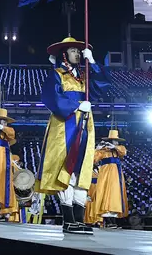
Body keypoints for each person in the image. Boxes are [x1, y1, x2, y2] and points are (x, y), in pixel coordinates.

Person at [36, 36, 108, 235]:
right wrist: (76, 106)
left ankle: (79, 218)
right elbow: (52, 99)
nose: (77, 53)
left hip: (85, 125)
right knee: (67, 167)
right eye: (73, 51)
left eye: (79, 51)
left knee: (82, 169)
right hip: (65, 125)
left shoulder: (84, 77)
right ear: (64, 54)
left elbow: (102, 87)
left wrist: (93, 62)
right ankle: (68, 220)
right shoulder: (57, 75)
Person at [93, 129, 129, 229]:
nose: (116, 142)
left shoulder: (118, 150)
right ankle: (109, 222)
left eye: (117, 141)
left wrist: (114, 147)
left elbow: (123, 152)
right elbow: (94, 160)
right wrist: (97, 148)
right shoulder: (103, 151)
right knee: (106, 194)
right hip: (106, 175)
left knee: (115, 195)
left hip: (116, 176)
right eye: (114, 141)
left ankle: (113, 221)